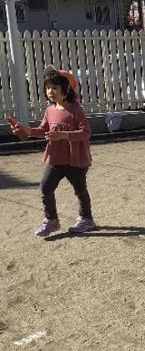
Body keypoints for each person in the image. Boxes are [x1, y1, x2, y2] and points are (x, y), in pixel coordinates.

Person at [10, 69, 96, 236]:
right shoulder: (50, 110)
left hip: (75, 159)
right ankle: (51, 220)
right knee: (46, 187)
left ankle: (86, 219)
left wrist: (64, 135)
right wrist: (26, 130)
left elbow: (86, 133)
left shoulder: (76, 110)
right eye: (48, 88)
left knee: (80, 190)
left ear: (66, 90)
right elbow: (43, 130)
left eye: (55, 88)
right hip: (55, 158)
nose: (50, 91)